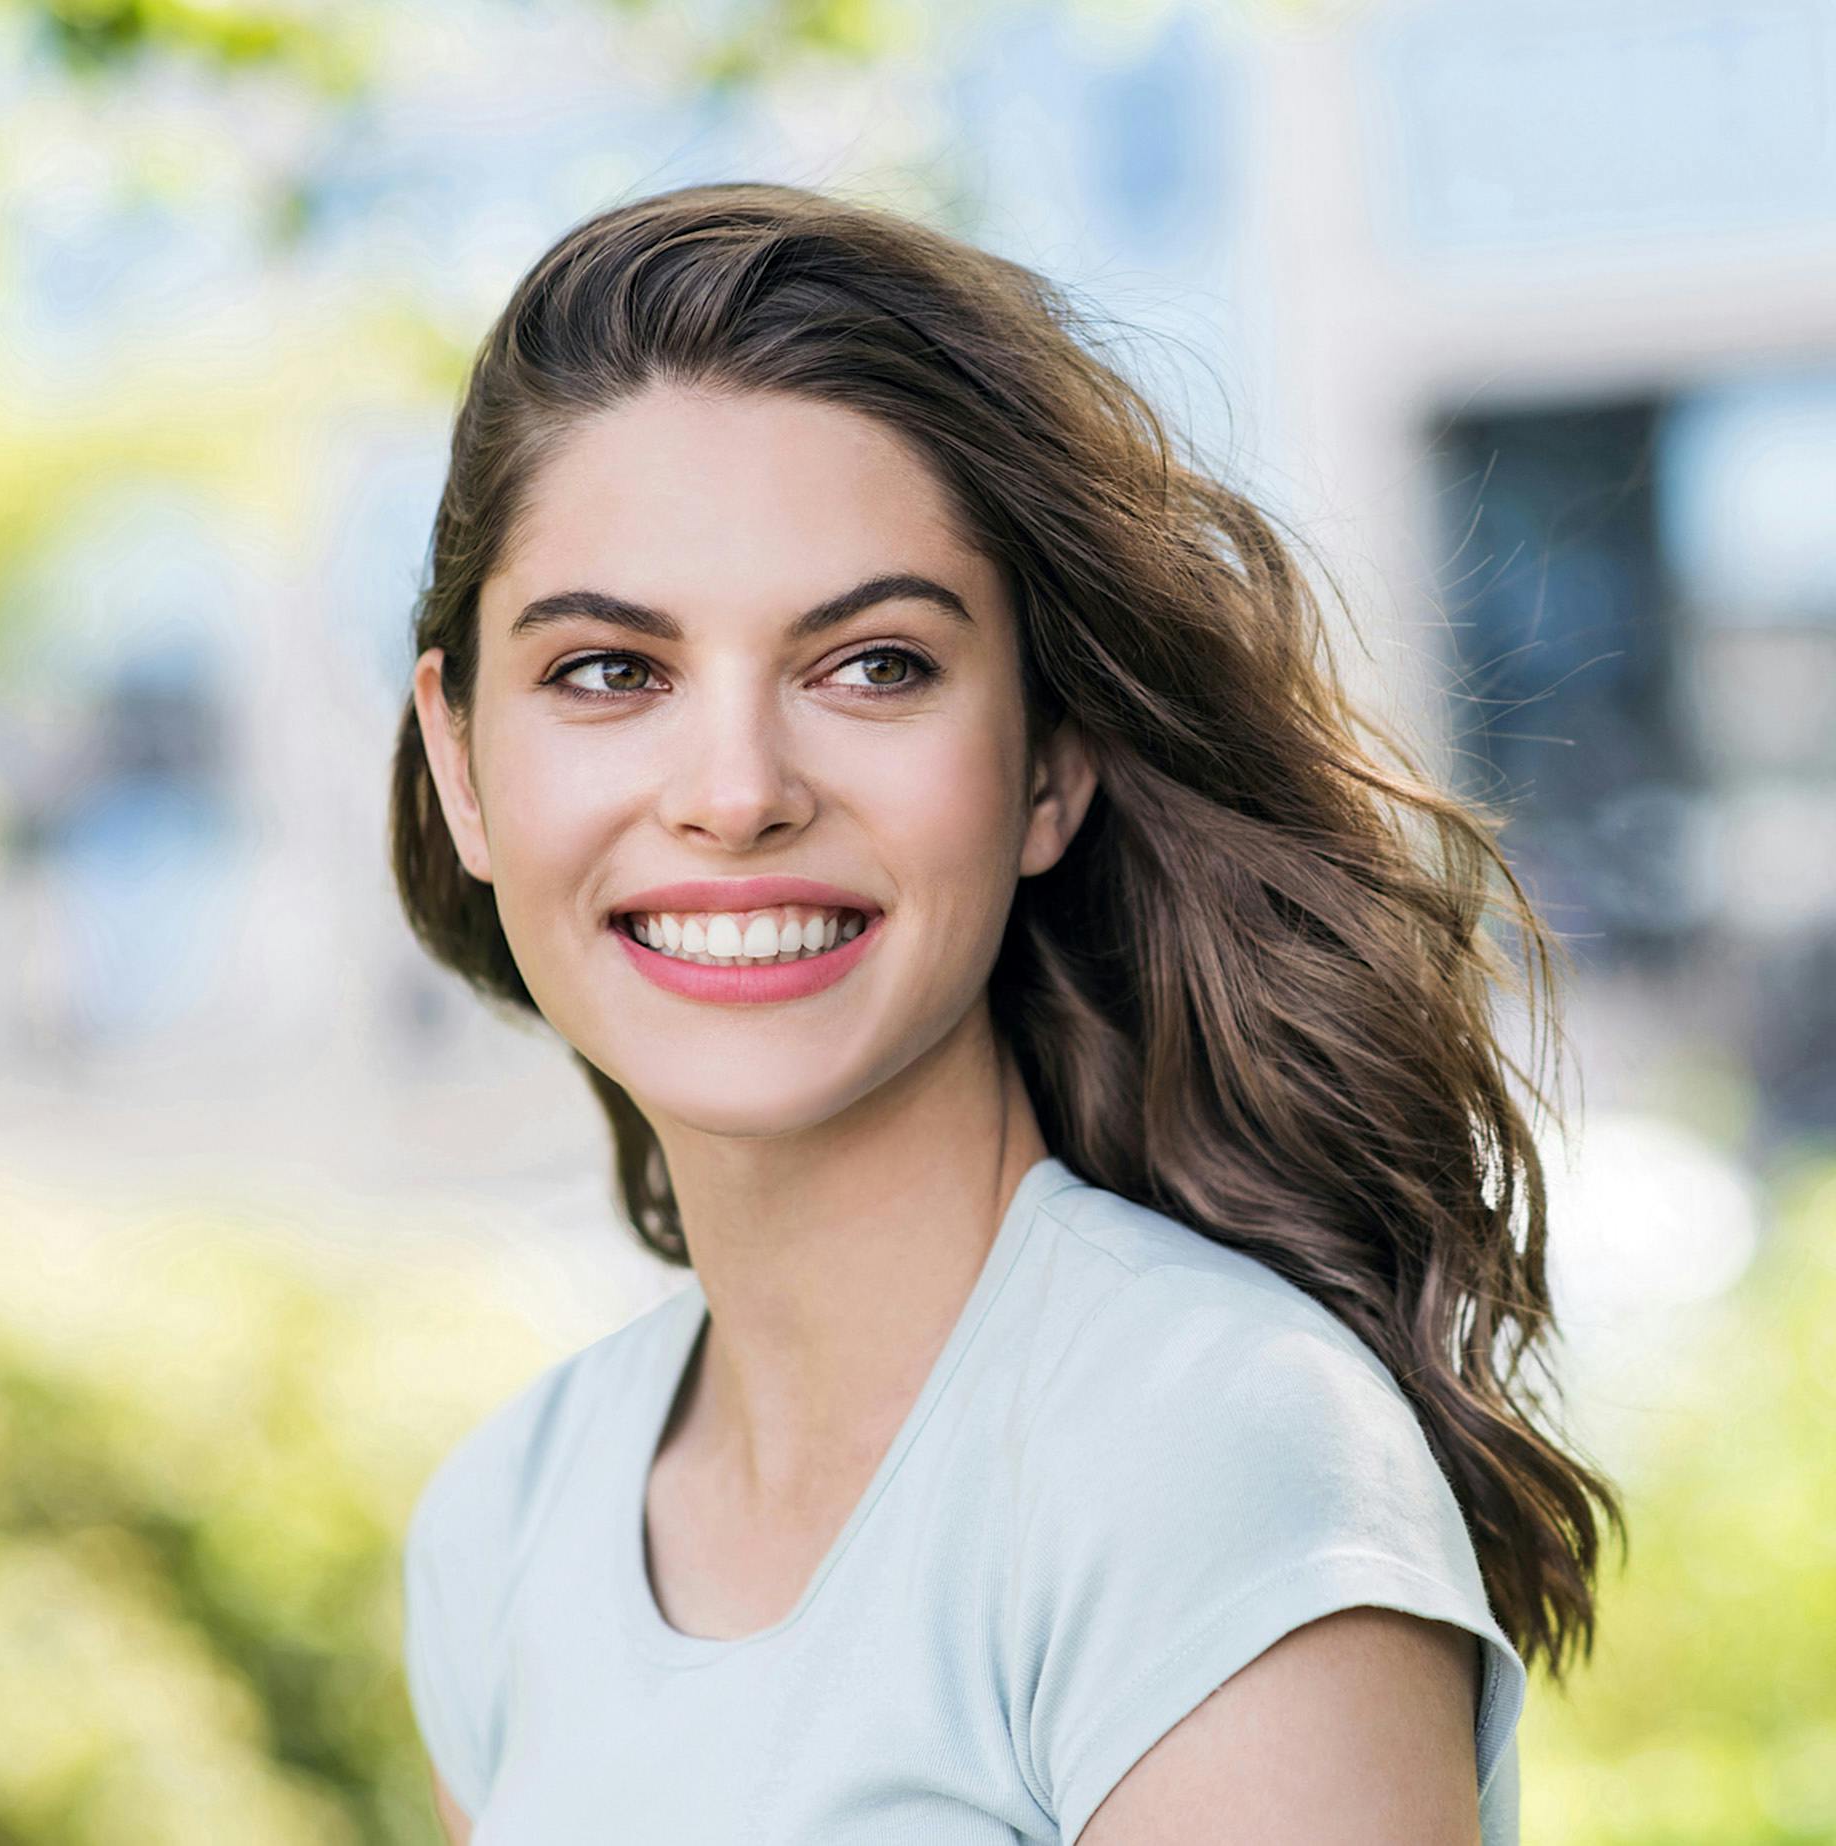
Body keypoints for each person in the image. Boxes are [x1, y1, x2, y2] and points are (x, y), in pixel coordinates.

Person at [388, 180, 1623, 1844]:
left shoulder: (1206, 1450)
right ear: (463, 761)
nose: (736, 792)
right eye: (611, 670)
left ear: (1049, 761)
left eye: (874, 664)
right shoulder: (503, 1527)